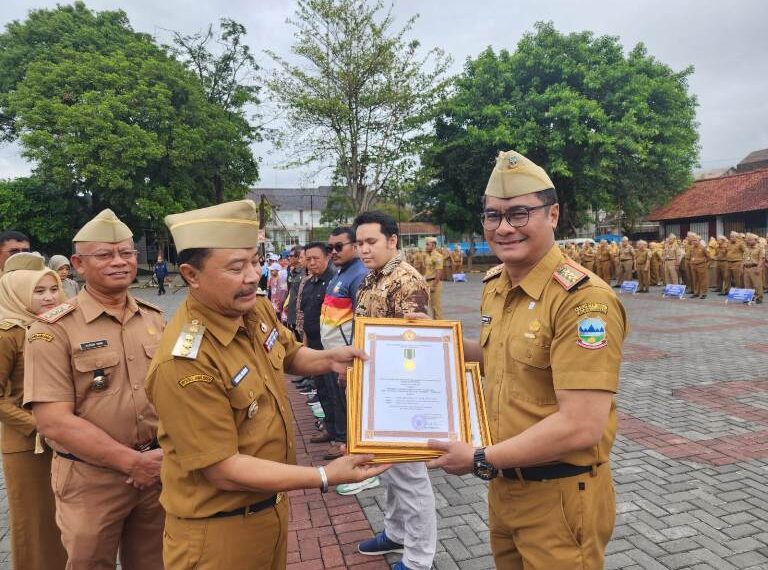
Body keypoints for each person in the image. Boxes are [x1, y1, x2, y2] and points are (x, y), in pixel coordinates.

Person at [145, 200, 388, 569]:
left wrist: (331, 358)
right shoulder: (185, 362)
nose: (251, 276)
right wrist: (323, 475)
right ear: (191, 275)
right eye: (236, 267)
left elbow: (289, 354)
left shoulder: (251, 307)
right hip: (219, 534)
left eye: (255, 262)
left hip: (269, 512)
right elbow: (222, 468)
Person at [427, 150, 627, 570]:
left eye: (519, 214)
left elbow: (581, 425)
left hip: (558, 496)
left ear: (552, 215)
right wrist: (430, 341)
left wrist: (480, 459)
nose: (503, 228)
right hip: (506, 487)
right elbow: (500, 356)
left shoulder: (583, 301)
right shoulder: (498, 284)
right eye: (492, 216)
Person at [24, 209, 166, 569]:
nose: (119, 262)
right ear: (78, 264)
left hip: (156, 472)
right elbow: (53, 422)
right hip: (92, 480)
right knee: (90, 563)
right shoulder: (52, 329)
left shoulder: (152, 318)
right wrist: (131, 462)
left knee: (156, 563)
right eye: (104, 255)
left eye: (127, 253)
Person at [353, 210, 435, 570]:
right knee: (387, 471)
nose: (363, 250)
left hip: (398, 396)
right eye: (359, 243)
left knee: (411, 479)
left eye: (371, 242)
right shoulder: (371, 279)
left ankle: (419, 559)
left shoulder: (406, 281)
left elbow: (414, 346)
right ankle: (395, 532)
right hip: (373, 392)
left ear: (392, 241)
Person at [0, 253, 68, 570]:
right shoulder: (8, 334)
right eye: (38, 291)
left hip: (67, 441)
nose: (49, 297)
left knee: (65, 525)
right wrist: (40, 426)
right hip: (29, 446)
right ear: (17, 292)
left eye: (52, 290)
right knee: (37, 527)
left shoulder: (57, 327)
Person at [320, 227, 368, 461]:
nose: (333, 252)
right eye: (330, 248)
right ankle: (342, 440)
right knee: (337, 400)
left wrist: (350, 361)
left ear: (355, 246)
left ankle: (350, 446)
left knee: (348, 403)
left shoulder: (358, 275)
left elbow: (360, 321)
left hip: (345, 355)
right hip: (332, 353)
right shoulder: (340, 273)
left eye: (339, 247)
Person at [285, 245, 305, 337]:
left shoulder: (304, 273)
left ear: (297, 258)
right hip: (291, 310)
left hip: (300, 313)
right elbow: (290, 291)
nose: (289, 257)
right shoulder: (291, 272)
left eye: (291, 255)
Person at [423, 237, 443, 319]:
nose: (426, 246)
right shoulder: (428, 255)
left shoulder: (438, 256)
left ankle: (440, 326)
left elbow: (439, 272)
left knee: (436, 307)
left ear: (433, 245)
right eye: (426, 244)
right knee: (430, 306)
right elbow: (428, 270)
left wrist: (434, 285)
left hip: (434, 282)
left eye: (428, 245)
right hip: (427, 282)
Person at [742, 233, 764, 304]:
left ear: (755, 240)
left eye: (750, 240)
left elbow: (761, 259)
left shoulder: (760, 248)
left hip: (754, 267)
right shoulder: (746, 248)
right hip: (746, 268)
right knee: (747, 284)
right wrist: (742, 267)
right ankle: (749, 297)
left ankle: (759, 298)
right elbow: (744, 259)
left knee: (757, 284)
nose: (748, 241)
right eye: (748, 240)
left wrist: (758, 268)